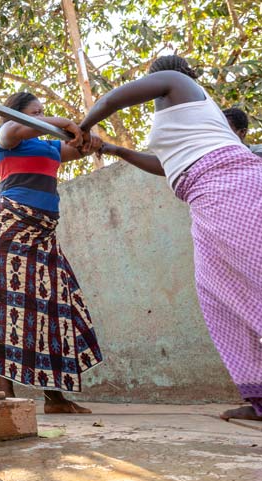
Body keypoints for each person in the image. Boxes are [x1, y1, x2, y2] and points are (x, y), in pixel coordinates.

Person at [82, 55, 262, 423]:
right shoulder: (188, 117)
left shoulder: (176, 83)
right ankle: (259, 396)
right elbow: (168, 165)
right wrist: (112, 150)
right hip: (205, 197)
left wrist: (82, 127)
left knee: (255, 283)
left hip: (229, 187)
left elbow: (111, 100)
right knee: (219, 299)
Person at [0, 91, 104, 414]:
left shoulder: (49, 146)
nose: (42, 116)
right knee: (6, 310)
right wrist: (63, 122)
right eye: (36, 112)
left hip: (44, 236)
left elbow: (77, 149)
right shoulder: (6, 136)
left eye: (43, 112)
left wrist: (86, 139)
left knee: (54, 310)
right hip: (11, 232)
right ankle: (6, 401)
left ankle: (55, 399)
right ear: (19, 114)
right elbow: (20, 128)